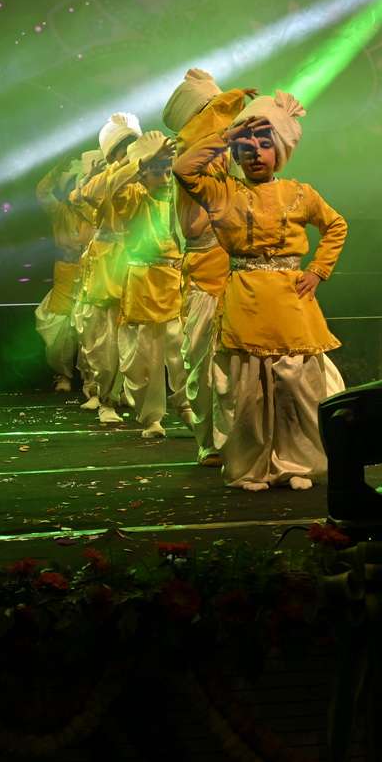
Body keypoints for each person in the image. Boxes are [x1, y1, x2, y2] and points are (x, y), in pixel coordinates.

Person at [174, 91, 347, 491]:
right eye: (246, 146)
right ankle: (250, 468)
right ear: (235, 152)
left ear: (279, 151)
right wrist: (226, 136)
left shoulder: (300, 193)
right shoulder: (225, 192)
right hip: (245, 298)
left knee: (295, 386)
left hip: (292, 301)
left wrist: (318, 270)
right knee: (247, 393)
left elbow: (336, 225)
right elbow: (183, 168)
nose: (255, 153)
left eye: (265, 144)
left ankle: (296, 464)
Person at [163, 68, 253, 465]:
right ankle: (209, 440)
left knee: (243, 360)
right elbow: (195, 226)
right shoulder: (189, 160)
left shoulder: (225, 159)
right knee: (203, 359)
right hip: (205, 271)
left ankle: (243, 435)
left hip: (240, 269)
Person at [103, 132, 185, 439]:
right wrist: (142, 160)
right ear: (143, 173)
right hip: (143, 281)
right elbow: (113, 186)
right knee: (146, 355)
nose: (164, 179)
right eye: (156, 171)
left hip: (175, 280)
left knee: (182, 350)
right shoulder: (134, 197)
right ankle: (151, 416)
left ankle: (187, 405)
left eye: (167, 171)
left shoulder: (178, 197)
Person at [69, 113, 141, 425]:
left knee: (134, 336)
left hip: (138, 261)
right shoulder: (107, 178)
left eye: (133, 145)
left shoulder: (146, 175)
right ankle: (105, 399)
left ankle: (126, 391)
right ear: (113, 153)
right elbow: (79, 196)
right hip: (106, 262)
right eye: (124, 147)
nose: (130, 152)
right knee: (104, 336)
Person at [33, 156, 92, 393]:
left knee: (92, 326)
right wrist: (56, 171)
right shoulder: (59, 211)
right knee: (59, 328)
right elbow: (42, 193)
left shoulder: (95, 209)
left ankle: (93, 381)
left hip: (93, 272)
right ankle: (62, 375)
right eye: (71, 185)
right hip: (66, 272)